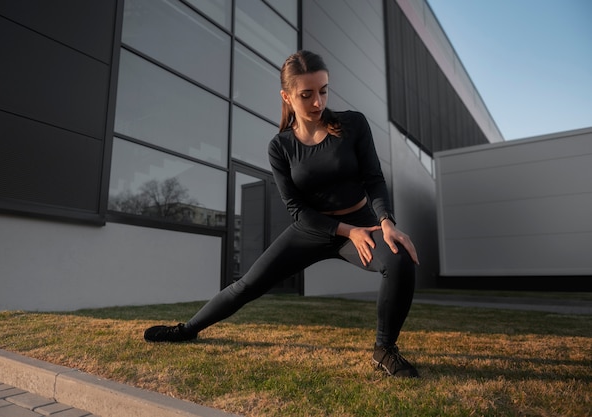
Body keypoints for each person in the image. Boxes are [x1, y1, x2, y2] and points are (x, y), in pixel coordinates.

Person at [144, 50, 420, 378]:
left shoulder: (353, 125)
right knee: (247, 285)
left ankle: (384, 349)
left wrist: (385, 222)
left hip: (362, 221)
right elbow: (297, 210)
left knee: (399, 255)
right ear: (287, 96)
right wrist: (346, 231)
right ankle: (186, 330)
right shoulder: (281, 147)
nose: (317, 102)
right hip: (314, 228)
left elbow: (374, 178)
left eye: (323, 90)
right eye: (306, 95)